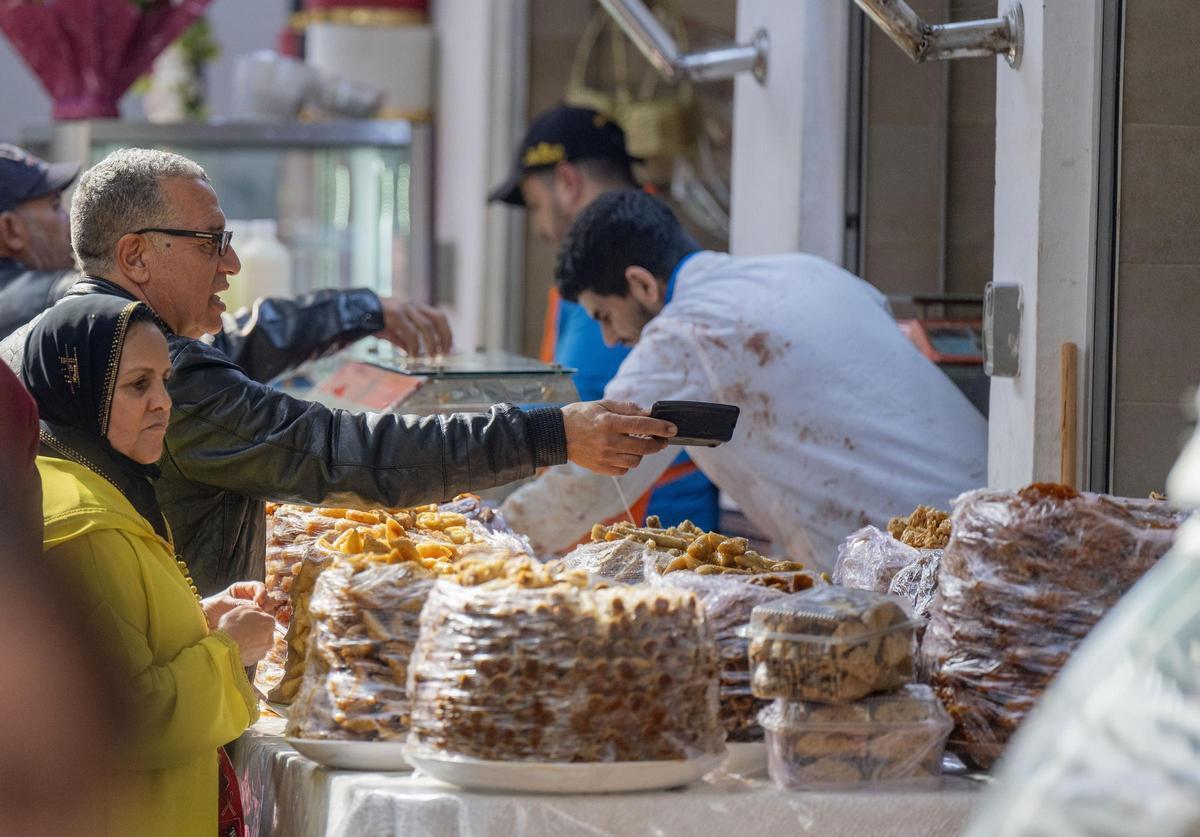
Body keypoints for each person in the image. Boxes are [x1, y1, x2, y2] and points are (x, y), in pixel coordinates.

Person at [2, 148, 675, 594]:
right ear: (136, 256)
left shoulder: (76, 330)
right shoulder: (164, 373)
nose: (230, 265)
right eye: (212, 242)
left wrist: (359, 310)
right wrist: (551, 435)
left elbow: (237, 343)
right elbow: (344, 453)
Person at [501, 191, 988, 570]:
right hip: (995, 519)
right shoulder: (808, 271)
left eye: (605, 316)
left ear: (642, 284)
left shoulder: (685, 334)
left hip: (918, 565)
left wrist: (493, 535)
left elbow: (593, 480)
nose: (609, 339)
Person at [23, 294, 275, 836]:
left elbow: (123, 639)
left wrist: (199, 619)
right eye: (138, 385)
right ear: (79, 391)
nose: (163, 402)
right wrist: (231, 653)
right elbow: (128, 719)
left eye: (165, 381)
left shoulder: (100, 483)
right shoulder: (82, 523)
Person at [0, 142, 451, 368]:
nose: (229, 263)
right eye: (55, 207)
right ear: (10, 230)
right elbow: (211, 355)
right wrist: (355, 311)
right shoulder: (56, 301)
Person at [490, 104, 719, 530]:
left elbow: (612, 413)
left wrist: (495, 528)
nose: (541, 228)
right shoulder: (607, 266)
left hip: (650, 512)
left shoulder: (649, 287)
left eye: (536, 206)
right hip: (593, 500)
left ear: (567, 182)